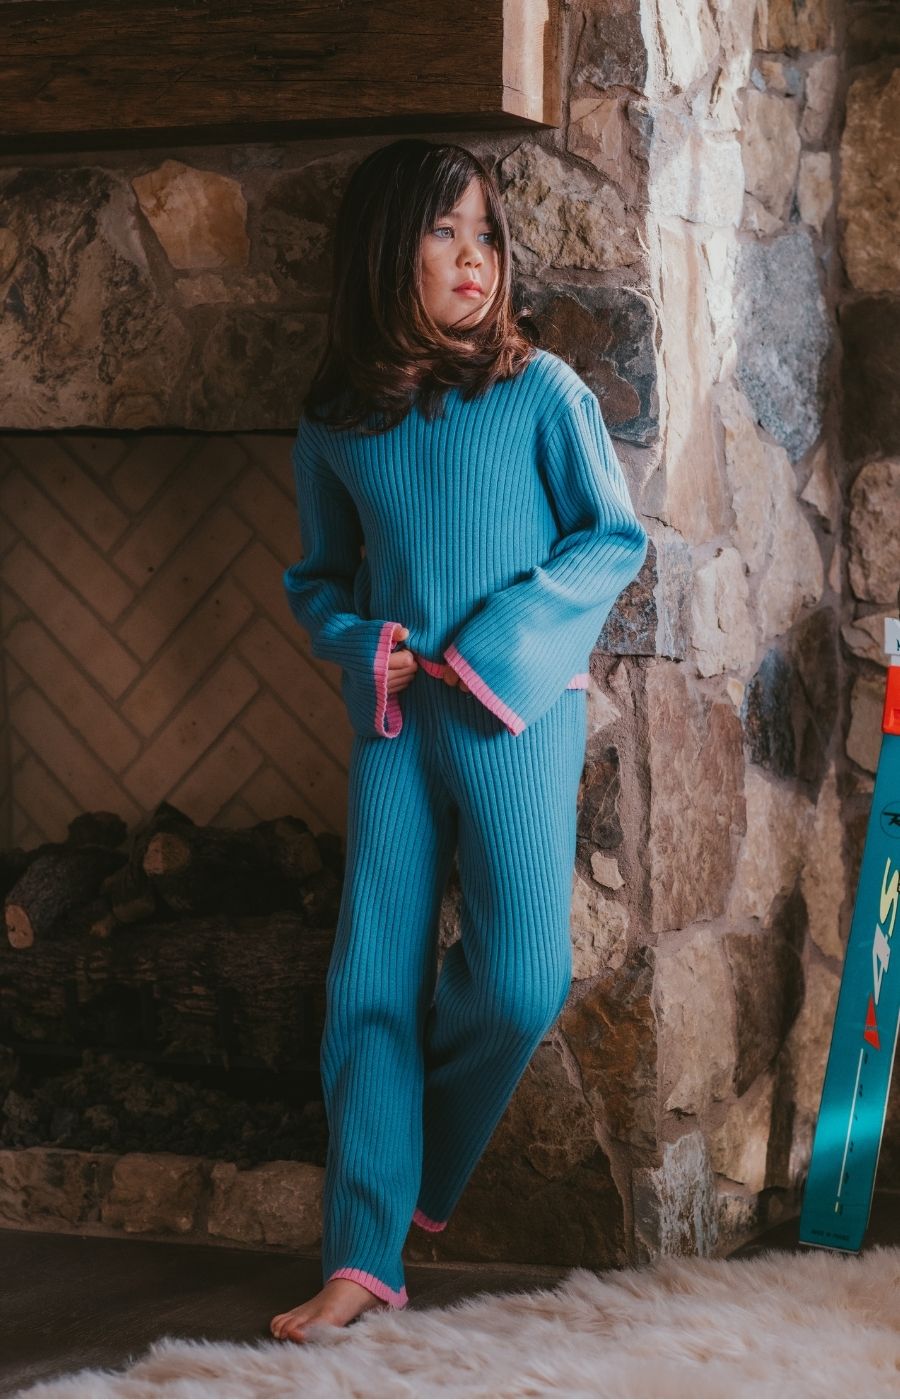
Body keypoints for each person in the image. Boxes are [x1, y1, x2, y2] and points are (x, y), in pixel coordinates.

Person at [270, 138, 648, 1342]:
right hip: (393, 725)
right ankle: (362, 1253)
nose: (474, 257)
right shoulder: (337, 423)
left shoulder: (544, 393)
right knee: (369, 981)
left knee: (524, 975)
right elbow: (317, 580)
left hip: (513, 715)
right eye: (445, 232)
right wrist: (359, 641)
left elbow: (612, 539)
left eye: (486, 232)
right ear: (389, 251)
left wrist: (500, 641)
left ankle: (409, 1177)